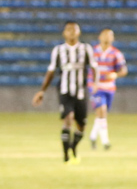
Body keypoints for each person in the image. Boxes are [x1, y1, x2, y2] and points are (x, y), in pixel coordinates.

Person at [32, 21, 99, 163]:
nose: (72, 32)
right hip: (64, 91)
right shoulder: (58, 50)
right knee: (68, 119)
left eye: (74, 29)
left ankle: (73, 147)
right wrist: (42, 91)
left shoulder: (86, 49)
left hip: (81, 91)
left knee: (81, 125)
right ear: (64, 33)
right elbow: (51, 71)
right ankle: (66, 156)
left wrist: (96, 83)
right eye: (68, 29)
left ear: (79, 32)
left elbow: (94, 67)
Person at [88, 29, 128, 150]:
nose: (107, 37)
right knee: (102, 110)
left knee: (100, 115)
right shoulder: (92, 52)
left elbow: (124, 70)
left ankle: (93, 136)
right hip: (96, 86)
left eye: (110, 35)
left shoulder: (116, 53)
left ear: (113, 38)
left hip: (109, 87)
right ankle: (105, 141)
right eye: (105, 34)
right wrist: (91, 82)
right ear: (99, 36)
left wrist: (115, 74)